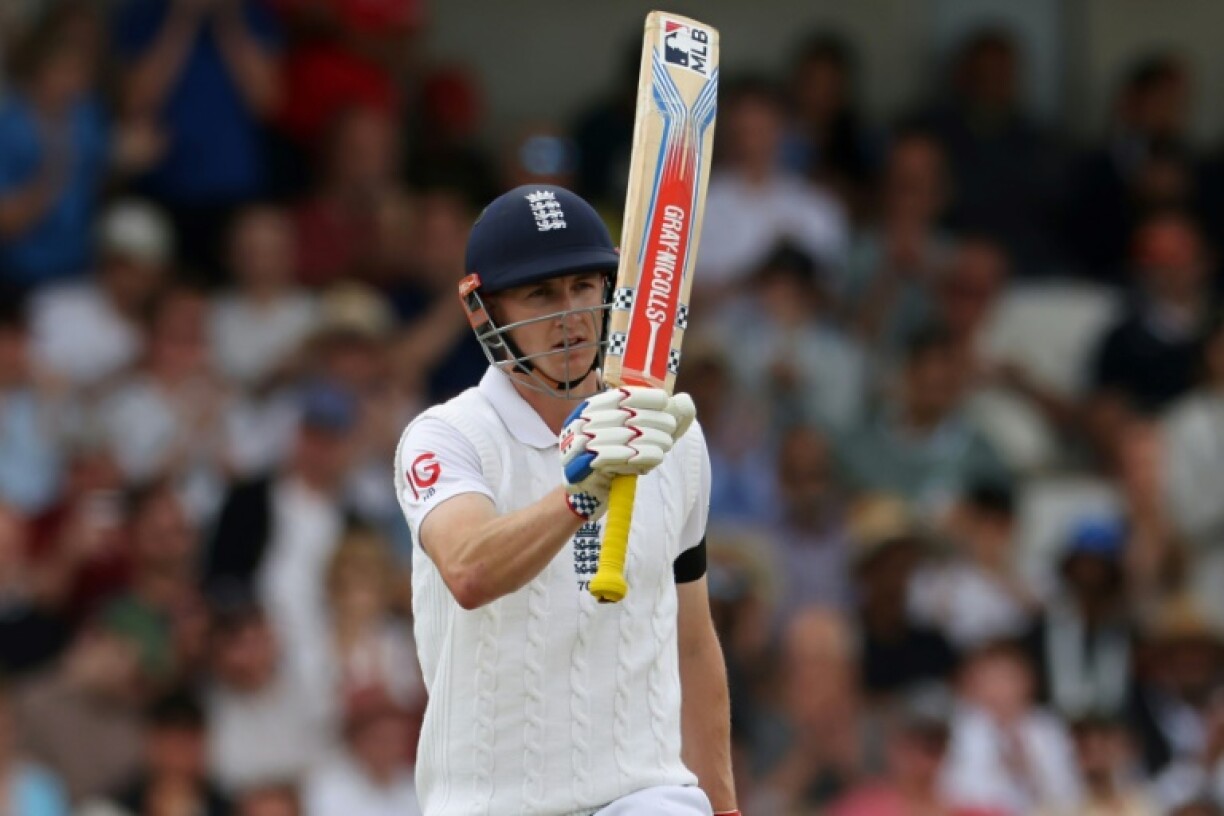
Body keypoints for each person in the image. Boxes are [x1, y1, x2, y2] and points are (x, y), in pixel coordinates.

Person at [393, 184, 736, 814]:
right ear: (482, 311)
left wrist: (725, 805)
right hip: (488, 801)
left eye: (582, 286)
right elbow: (469, 570)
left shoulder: (672, 438)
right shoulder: (445, 436)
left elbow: (692, 641)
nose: (570, 315)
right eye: (540, 294)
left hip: (645, 793)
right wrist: (580, 495)